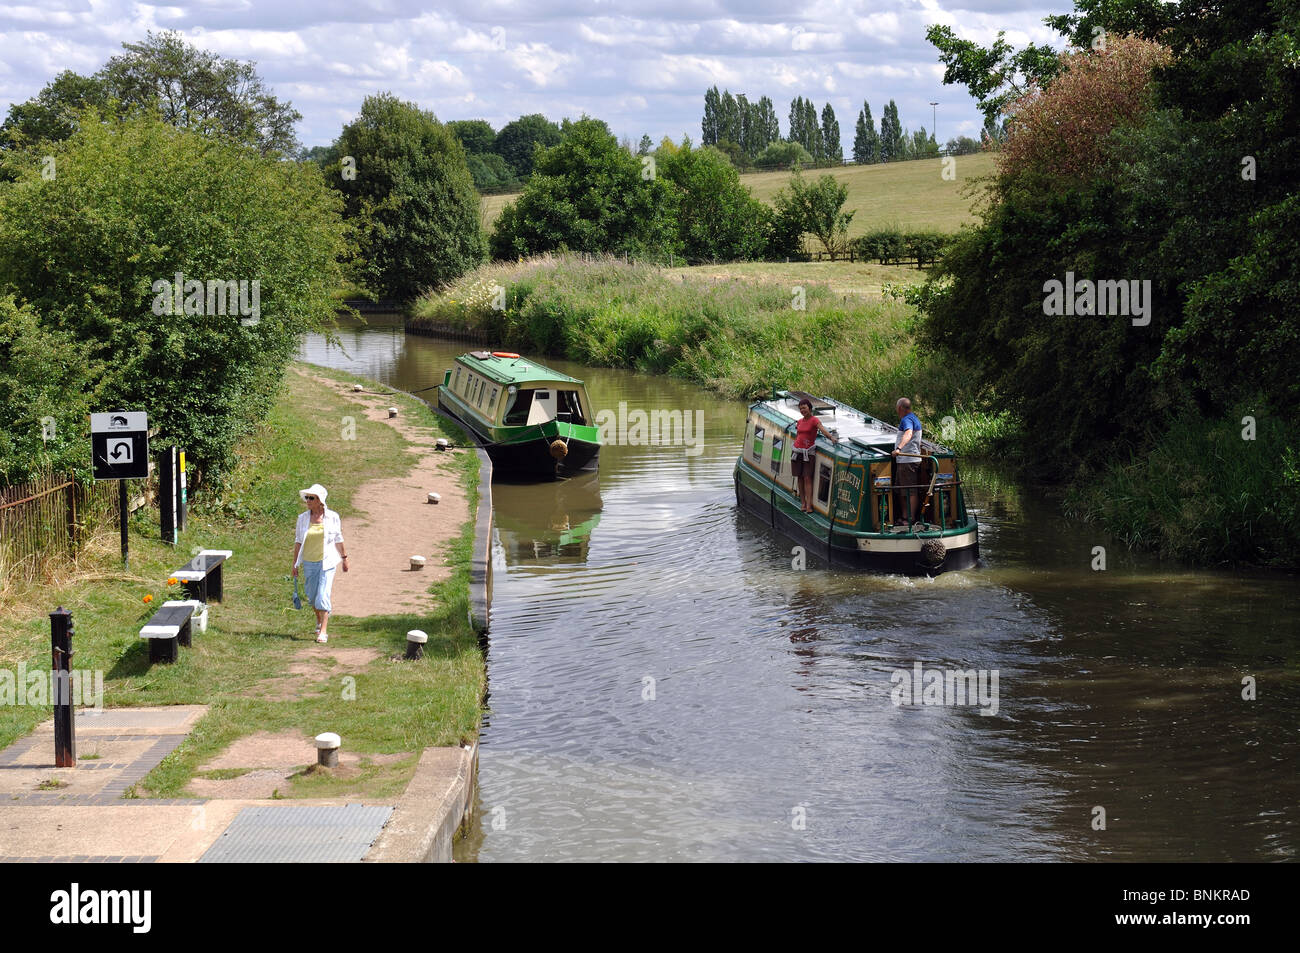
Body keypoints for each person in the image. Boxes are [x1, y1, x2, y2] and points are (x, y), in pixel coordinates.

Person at [291, 483, 348, 643]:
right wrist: (295, 564)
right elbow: (298, 541)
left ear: (320, 500)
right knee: (312, 596)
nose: (307, 500)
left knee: (323, 595)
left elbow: (338, 539)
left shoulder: (332, 517)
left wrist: (344, 558)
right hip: (309, 562)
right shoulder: (302, 518)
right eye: (307, 497)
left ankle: (323, 631)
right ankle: (319, 619)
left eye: (311, 498)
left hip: (327, 562)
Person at [792, 398, 839, 513]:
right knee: (800, 478)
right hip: (797, 452)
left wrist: (831, 437)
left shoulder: (814, 420)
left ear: (810, 408)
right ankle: (802, 503)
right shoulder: (799, 421)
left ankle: (809, 505)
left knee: (808, 478)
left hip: (808, 453)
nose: (802, 410)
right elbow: (799, 436)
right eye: (801, 408)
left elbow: (822, 430)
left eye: (804, 408)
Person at [891, 398, 923, 528]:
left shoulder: (907, 420)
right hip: (905, 461)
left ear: (900, 409)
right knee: (903, 491)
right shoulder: (913, 417)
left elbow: (908, 433)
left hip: (907, 461)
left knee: (910, 491)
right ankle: (905, 517)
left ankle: (910, 518)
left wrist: (898, 448)